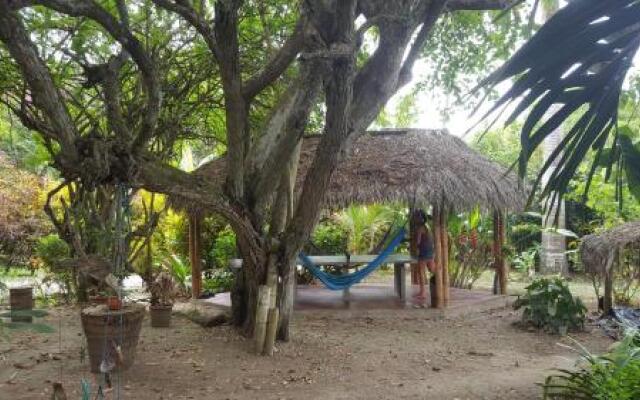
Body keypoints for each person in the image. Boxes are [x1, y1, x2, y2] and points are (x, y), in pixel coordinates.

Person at [412, 209, 436, 306]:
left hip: (424, 252)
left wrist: (414, 245)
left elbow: (418, 242)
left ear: (420, 218)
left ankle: (423, 293)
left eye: (417, 217)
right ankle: (440, 283)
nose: (415, 219)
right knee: (433, 269)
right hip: (430, 250)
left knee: (421, 271)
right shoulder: (427, 226)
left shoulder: (420, 228)